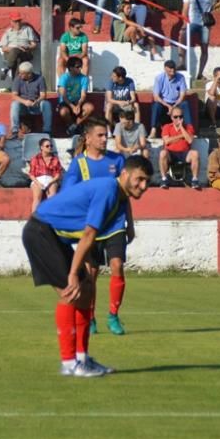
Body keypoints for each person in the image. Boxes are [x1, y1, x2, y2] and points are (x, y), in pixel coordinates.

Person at [22, 155, 153, 377]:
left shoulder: (118, 196)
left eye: (147, 182)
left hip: (54, 235)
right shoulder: (109, 191)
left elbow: (85, 230)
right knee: (70, 293)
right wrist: (73, 273)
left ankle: (82, 359)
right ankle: (68, 363)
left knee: (87, 291)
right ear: (125, 174)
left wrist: (85, 265)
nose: (143, 186)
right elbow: (89, 233)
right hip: (40, 232)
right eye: (139, 179)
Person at [59, 118, 128, 334]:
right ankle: (90, 317)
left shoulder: (117, 161)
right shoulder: (79, 164)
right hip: (91, 227)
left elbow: (125, 194)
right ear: (87, 138)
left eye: (105, 135)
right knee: (91, 273)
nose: (104, 139)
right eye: (99, 135)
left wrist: (131, 224)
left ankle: (113, 316)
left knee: (117, 265)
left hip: (116, 223)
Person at [180, 0, 220, 80]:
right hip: (192, 22)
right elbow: (185, 9)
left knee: (204, 48)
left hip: (205, 24)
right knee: (183, 39)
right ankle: (182, 63)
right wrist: (184, 22)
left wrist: (211, 8)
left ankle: (200, 73)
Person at [158, 108, 201, 190]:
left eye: (180, 117)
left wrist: (181, 128)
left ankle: (195, 180)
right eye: (176, 117)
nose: (178, 119)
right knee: (162, 153)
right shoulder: (167, 127)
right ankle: (164, 179)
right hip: (170, 153)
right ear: (171, 118)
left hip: (185, 153)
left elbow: (190, 140)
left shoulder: (188, 127)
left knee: (195, 153)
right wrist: (181, 136)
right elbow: (167, 141)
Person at [149, 60, 193, 139]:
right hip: (164, 104)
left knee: (185, 104)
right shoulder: (159, 78)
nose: (172, 70)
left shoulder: (181, 77)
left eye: (174, 68)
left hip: (176, 103)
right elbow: (156, 96)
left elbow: (182, 95)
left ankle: (190, 130)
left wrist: (174, 106)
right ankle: (153, 130)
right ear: (165, 68)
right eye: (170, 68)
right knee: (156, 105)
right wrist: (168, 106)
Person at [11, 61, 52, 137]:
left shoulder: (40, 79)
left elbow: (43, 95)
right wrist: (25, 102)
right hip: (23, 105)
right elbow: (14, 95)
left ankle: (47, 131)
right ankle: (14, 130)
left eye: (22, 73)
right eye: (20, 72)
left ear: (29, 74)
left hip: (36, 105)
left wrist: (37, 101)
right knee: (14, 104)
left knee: (46, 104)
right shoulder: (17, 79)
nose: (20, 74)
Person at [56, 57, 93, 137]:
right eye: (77, 67)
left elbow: (83, 95)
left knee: (90, 108)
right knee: (63, 112)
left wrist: (78, 105)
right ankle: (71, 126)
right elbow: (64, 95)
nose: (80, 68)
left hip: (78, 101)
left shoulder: (84, 78)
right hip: (66, 102)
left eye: (81, 66)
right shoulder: (64, 78)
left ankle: (75, 125)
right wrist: (72, 106)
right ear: (70, 68)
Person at [0, 11, 38, 80]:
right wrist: (16, 48)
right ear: (11, 22)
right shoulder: (8, 32)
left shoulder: (27, 29)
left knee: (17, 54)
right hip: (10, 54)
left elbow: (34, 44)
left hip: (25, 52)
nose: (18, 23)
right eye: (15, 21)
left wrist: (28, 47)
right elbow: (4, 48)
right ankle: (16, 84)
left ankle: (7, 68)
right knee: (17, 56)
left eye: (19, 21)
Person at [29, 137, 63, 212]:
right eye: (47, 146)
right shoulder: (35, 158)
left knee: (52, 197)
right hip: (38, 179)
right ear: (41, 147)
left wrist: (50, 182)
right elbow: (31, 174)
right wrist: (38, 183)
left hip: (51, 179)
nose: (50, 147)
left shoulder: (55, 159)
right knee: (37, 198)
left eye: (51, 146)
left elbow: (58, 174)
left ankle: (50, 218)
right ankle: (34, 219)